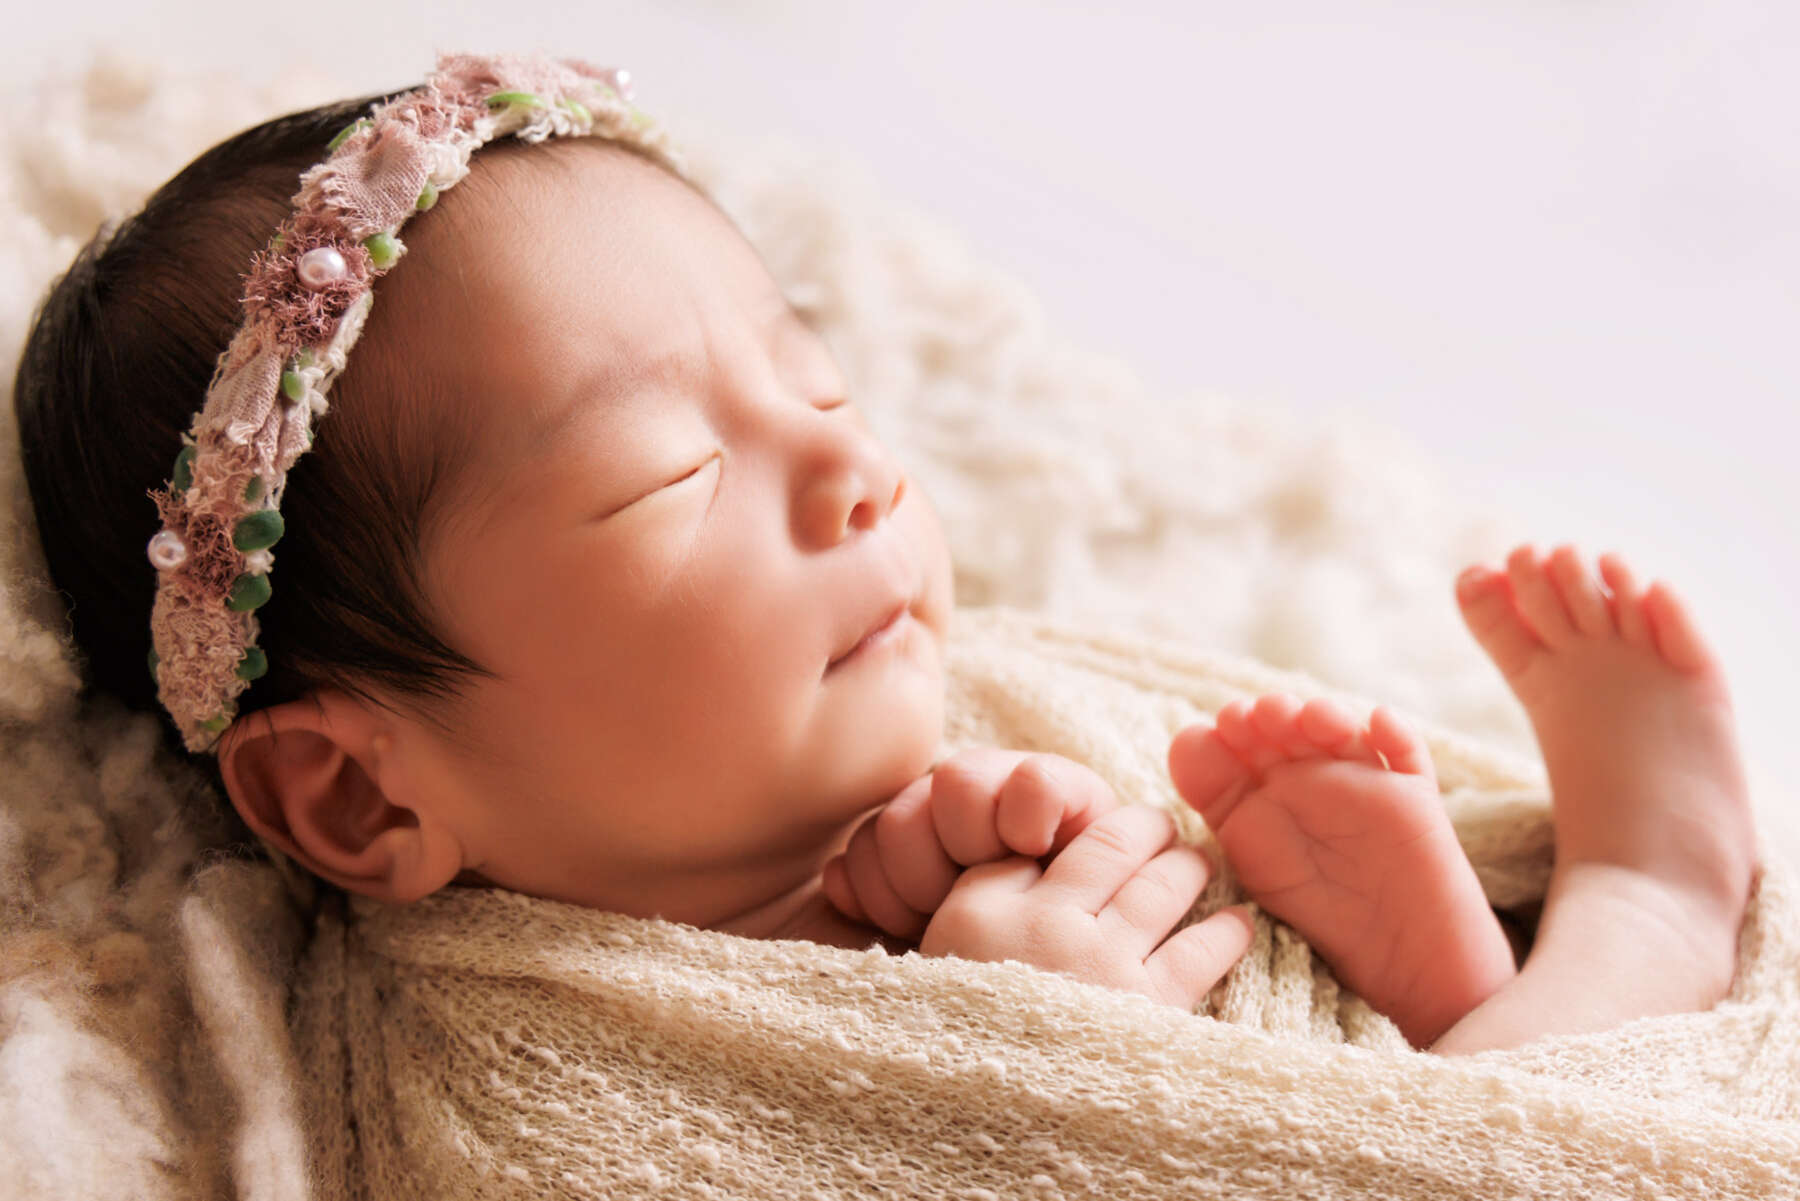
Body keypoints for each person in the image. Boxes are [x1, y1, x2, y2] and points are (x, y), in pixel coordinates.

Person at [11, 54, 1755, 1061]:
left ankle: (1455, 988)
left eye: (820, 382)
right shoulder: (530, 1058)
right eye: (668, 476)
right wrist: (1009, 1058)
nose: (857, 465)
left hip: (1346, 1092)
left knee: (1344, 1018)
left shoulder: (980, 736)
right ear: (354, 802)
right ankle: (1647, 913)